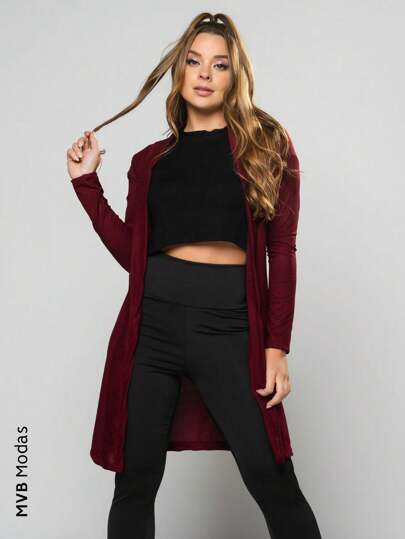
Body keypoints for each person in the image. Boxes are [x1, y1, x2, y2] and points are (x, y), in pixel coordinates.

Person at [66, 12, 322, 539]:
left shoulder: (266, 147)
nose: (205, 74)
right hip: (152, 328)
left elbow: (282, 250)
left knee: (272, 477)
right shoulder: (149, 162)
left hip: (229, 327)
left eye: (219, 64)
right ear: (179, 71)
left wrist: (277, 347)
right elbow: (134, 255)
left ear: (234, 76)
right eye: (194, 61)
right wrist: (87, 185)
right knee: (134, 482)